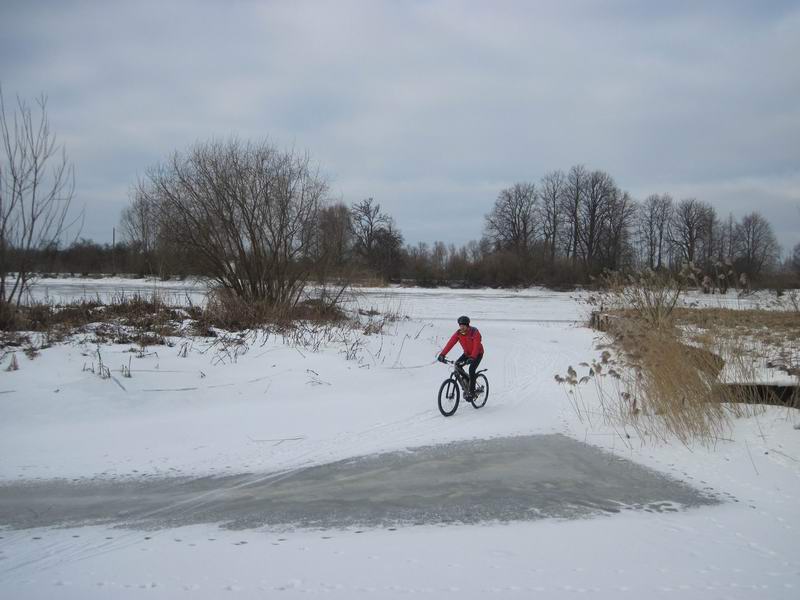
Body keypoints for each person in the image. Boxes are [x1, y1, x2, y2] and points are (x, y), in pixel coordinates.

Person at [437, 315, 484, 399]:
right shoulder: (458, 333)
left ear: (467, 325)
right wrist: (442, 354)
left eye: (463, 325)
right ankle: (467, 383)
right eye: (460, 325)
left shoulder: (474, 332)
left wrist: (472, 357)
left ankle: (472, 392)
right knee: (457, 365)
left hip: (477, 354)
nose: (461, 327)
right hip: (467, 354)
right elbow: (450, 343)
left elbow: (476, 346)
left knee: (471, 369)